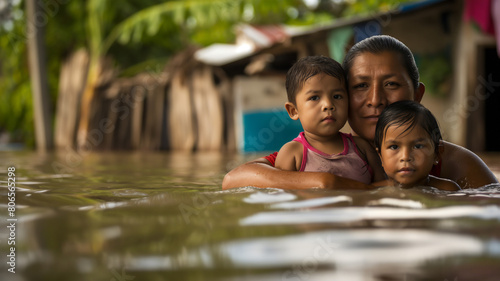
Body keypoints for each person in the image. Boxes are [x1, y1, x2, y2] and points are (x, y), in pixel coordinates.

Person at [222, 35, 498, 190]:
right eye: (360, 86)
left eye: (391, 84)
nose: (375, 100)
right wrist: (327, 181)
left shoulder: (451, 163)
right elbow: (233, 179)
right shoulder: (317, 154)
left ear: (417, 96)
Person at [274, 56, 385, 184]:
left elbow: (382, 189)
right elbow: (282, 197)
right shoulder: (292, 153)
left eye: (337, 96)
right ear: (293, 111)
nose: (328, 104)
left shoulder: (362, 148)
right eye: (314, 98)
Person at [373, 100, 460, 191]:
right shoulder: (375, 192)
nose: (405, 157)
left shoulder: (447, 190)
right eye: (394, 147)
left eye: (418, 146)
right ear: (380, 156)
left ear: (437, 154)